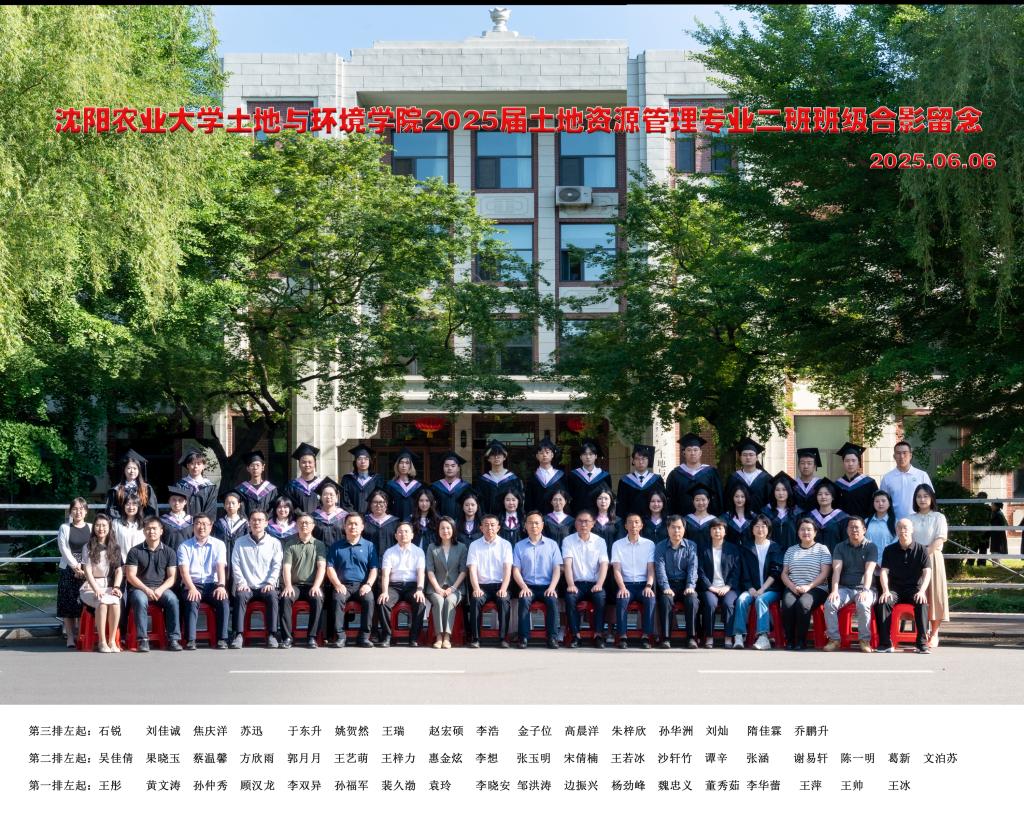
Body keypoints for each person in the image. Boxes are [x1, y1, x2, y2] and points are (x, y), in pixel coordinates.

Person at [875, 518, 932, 654]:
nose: (902, 530)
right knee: (883, 602)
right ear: (896, 530)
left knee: (922, 602)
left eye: (905, 527)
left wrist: (922, 591)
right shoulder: (889, 550)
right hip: (895, 589)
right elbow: (884, 571)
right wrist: (886, 590)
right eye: (899, 528)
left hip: (914, 589)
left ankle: (922, 643)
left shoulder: (922, 549)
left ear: (912, 530)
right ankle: (885, 643)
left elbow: (927, 572)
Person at [125, 516, 181, 652]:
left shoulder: (169, 552)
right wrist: (146, 589)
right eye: (148, 529)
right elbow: (130, 576)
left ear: (161, 531)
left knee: (173, 600)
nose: (151, 531)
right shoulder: (135, 551)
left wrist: (160, 589)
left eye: (154, 528)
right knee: (140, 600)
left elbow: (172, 577)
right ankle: (143, 640)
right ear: (144, 531)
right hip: (139, 588)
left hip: (161, 588)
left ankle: (173, 639)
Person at [822, 517, 878, 653]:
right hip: (845, 588)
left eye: (857, 527)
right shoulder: (840, 547)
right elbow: (836, 570)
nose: (854, 530)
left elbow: (869, 571)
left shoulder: (871, 547)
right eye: (851, 527)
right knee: (830, 604)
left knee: (863, 604)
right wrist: (834, 590)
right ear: (847, 530)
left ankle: (864, 640)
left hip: (866, 588)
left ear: (864, 530)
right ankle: (834, 639)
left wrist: (865, 590)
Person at [229, 509, 283, 648]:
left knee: (273, 596)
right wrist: (241, 582)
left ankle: (272, 634)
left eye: (260, 520)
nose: (256, 523)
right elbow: (235, 564)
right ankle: (238, 634)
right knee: (240, 596)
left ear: (266, 523)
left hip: (266, 585)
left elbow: (277, 565)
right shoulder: (240, 542)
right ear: (249, 523)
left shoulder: (274, 543)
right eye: (253, 520)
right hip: (247, 586)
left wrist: (270, 582)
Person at [176, 512, 230, 650]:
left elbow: (220, 567)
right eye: (198, 524)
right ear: (193, 526)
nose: (202, 527)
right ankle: (191, 639)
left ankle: (222, 638)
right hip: (192, 583)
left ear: (211, 527)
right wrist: (191, 588)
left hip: (213, 584)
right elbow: (184, 571)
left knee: (223, 600)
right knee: (191, 600)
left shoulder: (219, 544)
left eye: (205, 524)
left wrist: (221, 585)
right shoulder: (184, 546)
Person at [732, 514, 786, 650]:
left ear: (768, 529)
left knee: (761, 600)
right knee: (741, 600)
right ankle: (739, 635)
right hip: (751, 588)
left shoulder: (775, 548)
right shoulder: (746, 548)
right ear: (752, 529)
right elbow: (744, 571)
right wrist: (749, 587)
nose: (760, 529)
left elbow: (775, 572)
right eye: (757, 526)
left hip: (771, 589)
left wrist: (763, 589)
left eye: (763, 526)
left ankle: (763, 637)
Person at [325, 513, 378, 648]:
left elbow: (374, 569)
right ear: (344, 526)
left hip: (362, 585)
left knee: (369, 599)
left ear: (362, 527)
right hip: (343, 585)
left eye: (356, 524)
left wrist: (368, 585)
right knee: (337, 599)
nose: (353, 526)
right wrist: (337, 584)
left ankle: (364, 637)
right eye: (349, 523)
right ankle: (340, 636)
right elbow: (329, 567)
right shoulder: (336, 546)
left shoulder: (369, 546)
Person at [512, 511, 562, 649]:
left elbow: (557, 569)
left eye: (536, 523)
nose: (533, 526)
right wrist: (523, 587)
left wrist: (552, 587)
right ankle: (523, 638)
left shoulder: (552, 545)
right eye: (530, 523)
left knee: (552, 601)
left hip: (547, 586)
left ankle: (552, 637)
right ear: (525, 526)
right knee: (524, 600)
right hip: (528, 586)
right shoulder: (519, 546)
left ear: (542, 525)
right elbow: (515, 570)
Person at [780, 518, 832, 650]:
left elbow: (825, 573)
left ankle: (801, 640)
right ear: (798, 532)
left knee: (803, 604)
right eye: (802, 529)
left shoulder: (822, 549)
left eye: (809, 529)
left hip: (817, 588)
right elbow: (784, 573)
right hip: (794, 586)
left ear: (815, 532)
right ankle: (790, 640)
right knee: (787, 604)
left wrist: (808, 586)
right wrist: (792, 587)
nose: (806, 532)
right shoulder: (791, 550)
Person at [909, 484, 949, 648]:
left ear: (931, 498)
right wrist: (916, 557)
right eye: (919, 496)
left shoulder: (939, 517)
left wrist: (925, 555)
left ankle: (934, 633)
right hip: (914, 559)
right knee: (919, 594)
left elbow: (940, 538)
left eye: (926, 496)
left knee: (935, 594)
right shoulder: (911, 518)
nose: (922, 499)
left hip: (933, 558)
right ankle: (922, 632)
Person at [561, 510, 609, 648]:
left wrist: (599, 584)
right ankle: (575, 636)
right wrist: (570, 584)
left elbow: (604, 564)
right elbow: (567, 565)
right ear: (575, 524)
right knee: (570, 598)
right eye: (580, 521)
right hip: (576, 584)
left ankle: (598, 635)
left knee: (601, 597)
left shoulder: (600, 541)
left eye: (586, 521)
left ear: (593, 523)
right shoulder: (568, 541)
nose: (583, 524)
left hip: (594, 583)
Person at [279, 512, 327, 649]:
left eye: (307, 523)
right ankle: (287, 637)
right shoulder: (290, 544)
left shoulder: (319, 545)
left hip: (312, 585)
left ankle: (312, 637)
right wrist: (288, 585)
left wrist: (316, 586)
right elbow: (286, 567)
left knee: (317, 598)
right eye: (301, 523)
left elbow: (321, 567)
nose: (304, 525)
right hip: (295, 586)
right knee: (285, 598)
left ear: (313, 526)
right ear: (296, 526)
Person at [466, 514, 514, 647]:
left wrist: (504, 588)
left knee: (503, 600)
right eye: (486, 525)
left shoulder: (505, 545)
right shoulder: (474, 545)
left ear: (498, 527)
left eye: (493, 525)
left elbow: (507, 569)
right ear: (481, 528)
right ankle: (476, 638)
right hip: (482, 586)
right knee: (475, 600)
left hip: (500, 585)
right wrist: (476, 588)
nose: (489, 528)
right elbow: (472, 569)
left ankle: (503, 638)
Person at [377, 522, 427, 647]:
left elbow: (421, 573)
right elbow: (385, 574)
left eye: (406, 531)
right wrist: (384, 591)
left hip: (412, 586)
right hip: (394, 586)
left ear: (412, 535)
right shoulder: (389, 552)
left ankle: (414, 638)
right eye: (400, 532)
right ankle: (387, 636)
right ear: (395, 535)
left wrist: (420, 589)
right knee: (383, 602)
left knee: (420, 602)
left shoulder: (418, 551)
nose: (403, 534)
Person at [78, 512, 123, 653]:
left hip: (108, 586)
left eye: (104, 525)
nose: (101, 528)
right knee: (102, 602)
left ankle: (112, 641)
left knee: (115, 602)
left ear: (109, 527)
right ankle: (102, 642)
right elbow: (87, 570)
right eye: (98, 525)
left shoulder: (115, 547)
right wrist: (96, 588)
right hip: (90, 587)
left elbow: (119, 570)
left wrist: (116, 587)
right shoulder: (88, 547)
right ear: (94, 528)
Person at [610, 513, 657, 648]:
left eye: (636, 522)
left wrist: (649, 586)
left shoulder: (649, 544)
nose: (633, 525)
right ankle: (622, 636)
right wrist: (622, 587)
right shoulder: (617, 545)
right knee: (622, 598)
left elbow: (651, 569)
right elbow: (616, 569)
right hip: (626, 584)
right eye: (630, 522)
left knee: (650, 599)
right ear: (625, 526)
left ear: (641, 526)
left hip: (643, 584)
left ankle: (646, 636)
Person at [654, 515, 699, 649]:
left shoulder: (691, 546)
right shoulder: (660, 546)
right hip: (668, 584)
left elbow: (693, 568)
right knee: (665, 599)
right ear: (668, 529)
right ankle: (666, 638)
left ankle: (691, 637)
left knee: (692, 599)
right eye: (673, 527)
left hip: (685, 584)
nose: (676, 531)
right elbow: (660, 569)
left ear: (684, 529)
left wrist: (690, 586)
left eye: (679, 528)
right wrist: (665, 587)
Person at [697, 518, 741, 648]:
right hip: (710, 588)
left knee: (728, 603)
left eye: (720, 528)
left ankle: (728, 636)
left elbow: (736, 571)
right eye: (714, 528)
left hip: (729, 588)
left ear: (725, 532)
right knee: (710, 603)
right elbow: (700, 571)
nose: (717, 531)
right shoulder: (703, 549)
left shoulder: (733, 549)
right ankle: (709, 636)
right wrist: (710, 587)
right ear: (710, 531)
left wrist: (728, 586)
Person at [425, 517, 467, 649]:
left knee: (449, 601)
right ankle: (438, 636)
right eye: (442, 528)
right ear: (438, 530)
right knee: (439, 601)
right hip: (435, 587)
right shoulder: (432, 547)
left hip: (456, 587)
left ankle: (447, 637)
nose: (445, 531)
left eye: (448, 528)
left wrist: (453, 588)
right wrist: (437, 588)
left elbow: (463, 571)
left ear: (453, 529)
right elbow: (430, 570)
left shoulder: (462, 547)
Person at [57, 497, 91, 648]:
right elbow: (63, 548)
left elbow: (94, 548)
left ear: (86, 511)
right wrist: (75, 566)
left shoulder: (91, 527)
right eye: (75, 509)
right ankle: (70, 637)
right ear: (70, 511)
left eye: (81, 509)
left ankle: (82, 635)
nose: (78, 512)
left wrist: (84, 567)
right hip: (68, 568)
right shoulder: (64, 527)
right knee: (68, 604)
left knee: (84, 604)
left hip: (87, 568)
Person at [666, 433, 723, 517]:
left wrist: (715, 518)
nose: (692, 453)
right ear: (684, 453)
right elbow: (670, 500)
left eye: (695, 450)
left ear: (700, 453)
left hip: (706, 521)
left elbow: (717, 498)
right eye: (689, 450)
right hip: (681, 521)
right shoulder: (675, 474)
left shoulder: (710, 473)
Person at [879, 441, 934, 521]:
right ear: (894, 456)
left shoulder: (922, 475)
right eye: (898, 453)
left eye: (905, 453)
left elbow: (931, 498)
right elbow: (882, 501)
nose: (901, 456)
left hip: (919, 521)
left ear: (910, 455)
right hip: (895, 523)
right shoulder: (887, 478)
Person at [105, 449, 158, 521]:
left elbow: (151, 510)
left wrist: (144, 522)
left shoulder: (146, 488)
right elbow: (112, 511)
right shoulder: (116, 490)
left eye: (135, 468)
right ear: (124, 470)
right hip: (121, 524)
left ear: (139, 470)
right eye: (129, 468)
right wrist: (121, 523)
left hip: (142, 524)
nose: (132, 471)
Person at [473, 439, 523, 515]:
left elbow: (519, 501)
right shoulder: (482, 481)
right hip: (488, 519)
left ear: (504, 457)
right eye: (493, 455)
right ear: (488, 459)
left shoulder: (513, 479)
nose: (496, 457)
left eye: (499, 454)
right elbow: (480, 503)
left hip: (508, 519)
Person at [723, 438, 771, 514]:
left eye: (751, 455)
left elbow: (770, 501)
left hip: (760, 518)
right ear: (740, 458)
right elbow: (727, 500)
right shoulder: (733, 478)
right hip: (738, 518)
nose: (748, 457)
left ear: (756, 458)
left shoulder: (765, 478)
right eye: (744, 455)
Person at [616, 444, 665, 518]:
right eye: (637, 459)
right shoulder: (624, 481)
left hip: (652, 521)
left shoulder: (657, 480)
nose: (641, 462)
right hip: (632, 522)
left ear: (648, 461)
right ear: (633, 461)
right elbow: (621, 506)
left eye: (644, 459)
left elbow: (662, 501)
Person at [833, 442, 879, 521]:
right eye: (847, 461)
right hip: (843, 524)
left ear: (858, 463)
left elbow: (875, 506)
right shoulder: (837, 485)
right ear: (843, 463)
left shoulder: (869, 483)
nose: (850, 464)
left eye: (853, 460)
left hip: (864, 524)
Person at [567, 438, 612, 515]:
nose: (588, 457)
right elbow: (570, 498)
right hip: (578, 516)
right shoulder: (573, 475)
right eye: (585, 454)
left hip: (598, 516)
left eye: (591, 454)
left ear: (596, 456)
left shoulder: (604, 476)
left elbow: (608, 497)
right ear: (580, 457)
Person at [524, 435, 568, 515]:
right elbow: (529, 502)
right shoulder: (532, 478)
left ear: (552, 455)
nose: (544, 455)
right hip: (537, 518)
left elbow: (565, 499)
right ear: (537, 456)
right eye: (541, 453)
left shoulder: (561, 477)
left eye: (547, 452)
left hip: (557, 518)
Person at [283, 442, 329, 516]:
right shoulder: (292, 486)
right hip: (298, 521)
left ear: (315, 464)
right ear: (299, 464)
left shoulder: (322, 485)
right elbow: (288, 506)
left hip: (319, 521)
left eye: (310, 462)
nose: (307, 465)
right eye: (303, 462)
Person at [174, 447, 218, 520]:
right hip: (183, 524)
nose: (195, 467)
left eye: (199, 464)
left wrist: (202, 522)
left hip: (203, 524)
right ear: (187, 466)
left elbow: (211, 510)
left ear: (204, 466)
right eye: (192, 463)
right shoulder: (179, 485)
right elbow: (176, 506)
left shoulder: (210, 487)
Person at [342, 444, 386, 514]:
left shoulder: (377, 479)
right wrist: (353, 515)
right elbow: (345, 500)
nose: (363, 461)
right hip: (353, 517)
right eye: (359, 459)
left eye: (366, 459)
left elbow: (380, 499)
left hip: (372, 516)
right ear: (355, 462)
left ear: (370, 462)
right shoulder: (347, 479)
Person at [807, 479, 849, 553]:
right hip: (813, 557)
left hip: (835, 557)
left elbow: (845, 542)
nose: (823, 497)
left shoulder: (842, 518)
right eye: (819, 494)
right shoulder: (810, 517)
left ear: (833, 497)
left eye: (827, 494)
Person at [234, 451, 279, 518]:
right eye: (252, 465)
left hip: (266, 523)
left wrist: (265, 521)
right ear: (248, 468)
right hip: (247, 523)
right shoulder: (241, 489)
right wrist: (247, 522)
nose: (255, 468)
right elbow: (240, 510)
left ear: (263, 467)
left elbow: (273, 509)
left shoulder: (272, 489)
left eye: (258, 465)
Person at [867, 490, 898, 585]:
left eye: (883, 501)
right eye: (877, 501)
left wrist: (881, 561)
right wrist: (873, 561)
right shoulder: (866, 522)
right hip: (869, 564)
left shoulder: (896, 523)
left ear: (889, 503)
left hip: (889, 564)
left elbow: (896, 543)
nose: (880, 504)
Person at [429, 451, 473, 520]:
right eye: (446, 466)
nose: (449, 468)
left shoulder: (466, 487)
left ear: (458, 468)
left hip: (460, 523)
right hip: (440, 523)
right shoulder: (435, 487)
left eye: (453, 466)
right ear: (443, 468)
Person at [385, 448, 424, 522]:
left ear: (410, 466)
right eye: (401, 462)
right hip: (395, 521)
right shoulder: (390, 485)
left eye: (407, 463)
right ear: (397, 465)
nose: (404, 465)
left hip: (414, 522)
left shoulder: (418, 486)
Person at [765, 471, 799, 550]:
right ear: (773, 492)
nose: (781, 493)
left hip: (793, 554)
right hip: (772, 554)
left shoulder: (797, 512)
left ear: (789, 491)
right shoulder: (766, 512)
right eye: (777, 490)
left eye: (784, 490)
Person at [312, 478, 348, 548]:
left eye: (331, 494)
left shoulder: (345, 516)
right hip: (319, 552)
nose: (328, 497)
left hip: (339, 551)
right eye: (325, 494)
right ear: (321, 497)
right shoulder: (313, 517)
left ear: (337, 497)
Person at [111, 494, 145, 565]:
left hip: (140, 563)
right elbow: (112, 544)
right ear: (123, 506)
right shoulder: (116, 523)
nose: (131, 507)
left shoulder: (144, 524)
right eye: (128, 504)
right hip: (122, 563)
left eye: (134, 504)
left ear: (138, 506)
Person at [160, 485, 194, 553]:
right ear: (169, 501)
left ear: (185, 502)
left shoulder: (192, 520)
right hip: (168, 555)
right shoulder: (162, 520)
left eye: (180, 500)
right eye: (174, 500)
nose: (177, 503)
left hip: (188, 555)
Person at [684, 486, 716, 552]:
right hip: (690, 554)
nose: (700, 503)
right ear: (693, 501)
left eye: (703, 500)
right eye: (697, 500)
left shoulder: (714, 521)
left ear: (708, 501)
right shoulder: (686, 520)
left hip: (709, 555)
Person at [723, 484, 755, 549]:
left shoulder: (753, 517)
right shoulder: (725, 518)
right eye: (736, 496)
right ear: (732, 497)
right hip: (730, 552)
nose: (739, 499)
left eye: (742, 497)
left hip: (749, 552)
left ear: (746, 498)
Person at [792, 448, 823, 514]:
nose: (806, 466)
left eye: (809, 463)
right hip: (796, 518)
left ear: (814, 466)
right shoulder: (792, 484)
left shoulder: (821, 484)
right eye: (802, 463)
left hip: (816, 519)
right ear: (798, 466)